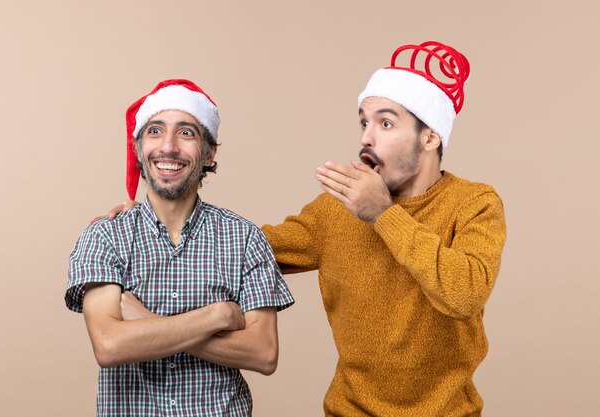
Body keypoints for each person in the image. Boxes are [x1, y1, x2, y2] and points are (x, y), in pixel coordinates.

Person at [104, 41, 506, 416]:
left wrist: (383, 215)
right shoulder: (336, 210)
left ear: (430, 136)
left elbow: (464, 293)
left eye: (386, 124)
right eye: (364, 122)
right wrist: (149, 223)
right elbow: (242, 248)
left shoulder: (474, 203)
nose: (366, 137)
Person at [66, 79, 294, 417]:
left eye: (186, 133)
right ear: (138, 148)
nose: (169, 147)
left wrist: (148, 323)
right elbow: (110, 345)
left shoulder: (245, 238)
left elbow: (263, 353)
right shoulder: (105, 237)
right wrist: (216, 316)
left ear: (209, 151)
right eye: (155, 131)